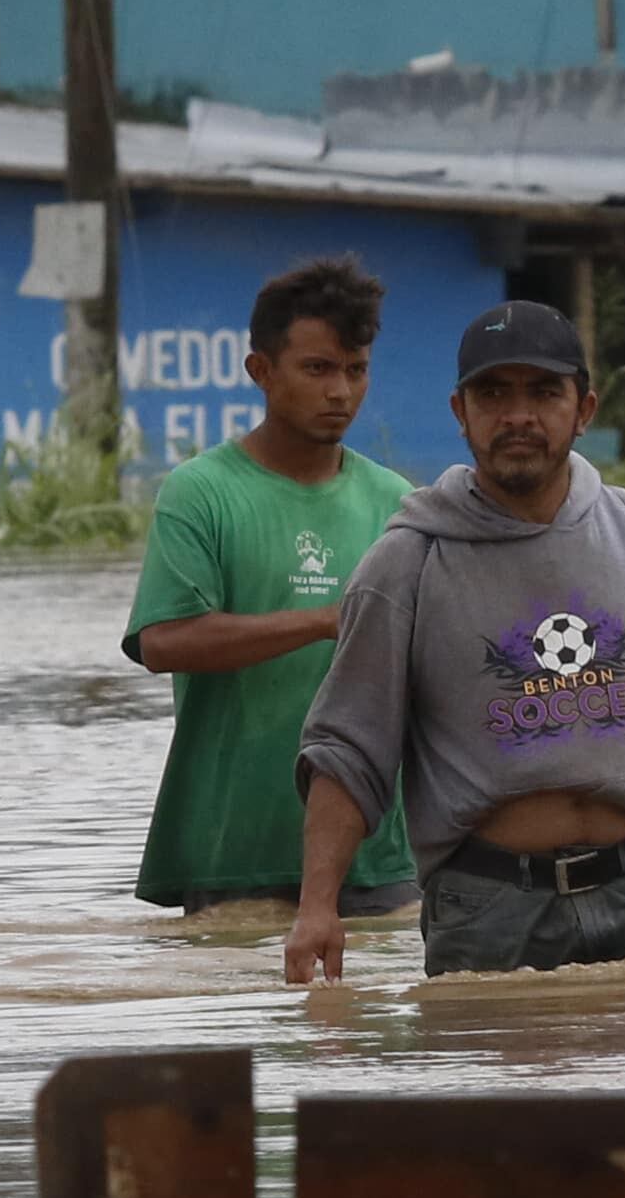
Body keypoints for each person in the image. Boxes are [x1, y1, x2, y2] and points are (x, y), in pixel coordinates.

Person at [287, 299, 625, 983]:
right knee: (498, 1056)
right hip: (489, 906)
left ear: (584, 410)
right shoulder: (406, 564)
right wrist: (317, 907)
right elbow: (348, 750)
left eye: (544, 393)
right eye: (494, 394)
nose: (518, 415)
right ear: (461, 413)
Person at [119, 256, 420, 919]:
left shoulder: (396, 502)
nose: (340, 391)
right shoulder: (200, 493)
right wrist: (325, 620)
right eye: (317, 369)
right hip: (235, 853)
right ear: (260, 371)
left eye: (356, 370)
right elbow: (164, 642)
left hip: (377, 856)